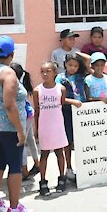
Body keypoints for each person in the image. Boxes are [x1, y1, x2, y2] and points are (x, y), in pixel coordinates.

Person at [0, 35, 34, 212]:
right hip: (9, 128)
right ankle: (15, 208)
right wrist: (20, 130)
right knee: (16, 167)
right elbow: (9, 105)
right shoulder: (8, 73)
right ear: (12, 53)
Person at [33, 61, 69, 195]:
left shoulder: (61, 89)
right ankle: (43, 181)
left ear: (55, 72)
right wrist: (36, 129)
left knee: (60, 152)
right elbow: (37, 111)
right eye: (42, 71)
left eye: (48, 71)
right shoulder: (38, 90)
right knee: (44, 154)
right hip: (44, 125)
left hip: (57, 124)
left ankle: (62, 178)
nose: (45, 74)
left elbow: (61, 105)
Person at [55, 53, 88, 182]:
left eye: (75, 65)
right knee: (68, 141)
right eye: (70, 65)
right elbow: (59, 97)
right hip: (67, 111)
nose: (72, 68)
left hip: (81, 112)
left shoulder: (82, 77)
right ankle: (69, 168)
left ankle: (84, 167)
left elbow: (89, 61)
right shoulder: (60, 78)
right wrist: (72, 102)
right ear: (65, 65)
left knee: (81, 140)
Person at [9, 63, 40, 180]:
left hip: (23, 116)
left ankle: (24, 170)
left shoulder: (13, 85)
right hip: (29, 114)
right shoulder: (21, 83)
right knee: (30, 140)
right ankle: (37, 163)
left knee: (20, 143)